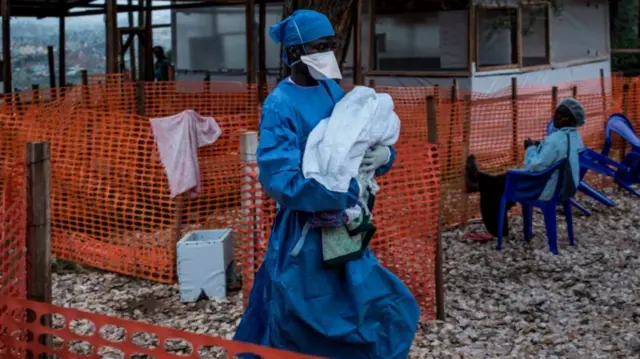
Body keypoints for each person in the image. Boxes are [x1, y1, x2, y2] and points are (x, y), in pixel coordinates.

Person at [233, 9, 419, 359]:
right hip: (304, 231)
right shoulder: (280, 105)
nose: (327, 55)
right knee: (301, 314)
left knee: (366, 301)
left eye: (330, 46)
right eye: (319, 47)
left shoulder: (331, 90)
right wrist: (337, 192)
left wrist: (383, 156)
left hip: (342, 227)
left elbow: (355, 140)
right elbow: (279, 179)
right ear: (293, 54)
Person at [465, 98, 586, 237]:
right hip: (563, 186)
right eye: (556, 112)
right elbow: (551, 157)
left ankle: (495, 228)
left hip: (544, 188)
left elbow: (533, 166)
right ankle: (479, 180)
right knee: (502, 181)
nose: (555, 116)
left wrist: (530, 148)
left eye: (560, 114)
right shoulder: (575, 136)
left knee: (494, 188)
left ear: (569, 119)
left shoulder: (555, 139)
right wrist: (539, 147)